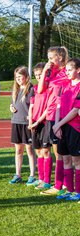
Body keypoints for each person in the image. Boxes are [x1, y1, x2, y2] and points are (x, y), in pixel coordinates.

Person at [36, 46, 69, 191]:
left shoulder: (66, 72)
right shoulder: (53, 72)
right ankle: (57, 183)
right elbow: (40, 89)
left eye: (51, 58)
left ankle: (60, 185)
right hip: (50, 115)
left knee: (60, 153)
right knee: (57, 152)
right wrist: (44, 71)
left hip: (60, 114)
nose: (49, 61)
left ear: (59, 58)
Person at [51, 58, 80, 200]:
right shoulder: (64, 86)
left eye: (70, 70)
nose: (67, 73)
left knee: (77, 161)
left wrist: (59, 124)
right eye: (66, 70)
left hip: (74, 128)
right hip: (61, 126)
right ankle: (69, 190)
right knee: (66, 159)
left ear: (78, 70)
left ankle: (78, 192)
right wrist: (57, 125)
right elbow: (58, 106)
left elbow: (75, 110)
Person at [8, 66, 36, 185]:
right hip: (16, 122)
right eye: (16, 77)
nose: (18, 79)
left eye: (20, 76)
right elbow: (13, 104)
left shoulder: (31, 89)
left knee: (29, 150)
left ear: (26, 76)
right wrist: (11, 107)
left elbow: (34, 105)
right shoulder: (16, 89)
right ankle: (18, 174)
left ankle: (32, 175)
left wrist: (32, 118)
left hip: (27, 124)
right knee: (18, 150)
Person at [28, 63, 51, 188]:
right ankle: (41, 178)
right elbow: (31, 107)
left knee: (46, 151)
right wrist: (31, 121)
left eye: (40, 74)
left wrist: (38, 121)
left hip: (44, 122)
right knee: (38, 151)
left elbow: (48, 108)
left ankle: (47, 181)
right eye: (36, 75)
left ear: (46, 74)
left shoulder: (49, 88)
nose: (38, 77)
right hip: (35, 123)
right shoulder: (34, 88)